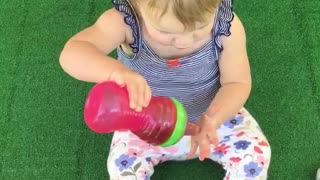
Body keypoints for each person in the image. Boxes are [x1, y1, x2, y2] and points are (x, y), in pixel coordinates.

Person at [59, 0, 271, 179]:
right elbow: (72, 53)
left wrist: (215, 118)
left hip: (211, 122)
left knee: (255, 155)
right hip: (145, 126)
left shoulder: (227, 27)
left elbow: (237, 83)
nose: (183, 42)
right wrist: (116, 72)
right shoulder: (124, 22)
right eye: (166, 32)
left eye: (198, 30)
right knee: (122, 170)